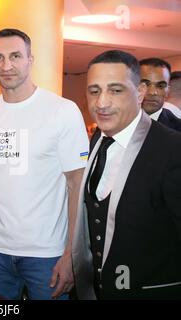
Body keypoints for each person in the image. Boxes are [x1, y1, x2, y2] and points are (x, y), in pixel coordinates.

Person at [0, 28, 88, 300]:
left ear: (30, 59)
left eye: (15, 56)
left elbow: (77, 184)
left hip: (47, 253)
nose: (6, 65)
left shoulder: (62, 111)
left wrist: (72, 252)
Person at [72, 50, 181, 299]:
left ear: (140, 92)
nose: (102, 102)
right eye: (94, 91)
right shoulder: (97, 140)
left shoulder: (173, 149)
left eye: (116, 90)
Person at [139, 58, 181, 131]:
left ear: (168, 91)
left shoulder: (178, 129)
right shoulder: (115, 122)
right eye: (145, 84)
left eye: (160, 86)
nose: (152, 92)